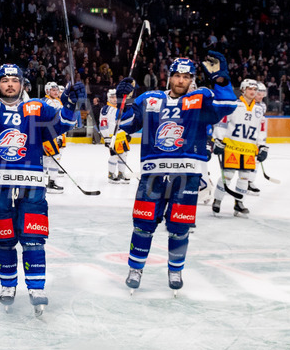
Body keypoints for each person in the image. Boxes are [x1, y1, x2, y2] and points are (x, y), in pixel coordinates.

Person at [0, 54, 83, 315]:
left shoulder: (36, 107)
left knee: (34, 238)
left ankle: (36, 287)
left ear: (23, 84)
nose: (10, 84)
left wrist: (70, 105)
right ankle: (8, 285)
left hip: (32, 179)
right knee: (3, 238)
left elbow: (62, 125)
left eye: (15, 80)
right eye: (5, 80)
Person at [111, 52, 237, 293]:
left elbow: (227, 106)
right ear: (169, 78)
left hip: (187, 177)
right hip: (152, 176)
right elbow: (127, 123)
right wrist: (124, 100)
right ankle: (135, 268)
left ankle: (176, 269)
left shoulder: (201, 98)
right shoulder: (150, 99)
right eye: (177, 76)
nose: (181, 81)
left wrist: (221, 80)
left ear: (193, 79)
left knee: (180, 228)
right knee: (142, 225)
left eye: (186, 77)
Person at [211, 79, 266, 217]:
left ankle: (239, 203)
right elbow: (222, 123)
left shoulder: (259, 109)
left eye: (255, 89)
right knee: (228, 176)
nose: (253, 92)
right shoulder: (233, 105)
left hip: (249, 149)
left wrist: (263, 146)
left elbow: (261, 130)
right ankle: (217, 200)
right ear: (243, 90)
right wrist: (218, 140)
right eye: (249, 89)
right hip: (232, 147)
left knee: (245, 178)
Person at [97, 88, 131, 183]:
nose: (114, 99)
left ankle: (121, 173)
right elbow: (103, 124)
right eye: (112, 97)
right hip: (112, 136)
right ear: (108, 98)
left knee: (124, 154)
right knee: (114, 156)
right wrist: (107, 138)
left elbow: (122, 122)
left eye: (116, 97)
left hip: (121, 135)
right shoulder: (105, 109)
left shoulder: (120, 108)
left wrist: (127, 133)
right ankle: (111, 174)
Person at [41, 82, 67, 193]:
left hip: (53, 134)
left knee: (50, 159)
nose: (56, 92)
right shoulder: (47, 102)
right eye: (53, 90)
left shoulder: (56, 101)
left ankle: (46, 182)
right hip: (49, 135)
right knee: (51, 159)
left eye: (57, 90)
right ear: (47, 91)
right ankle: (49, 183)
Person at [246, 81, 269, 196]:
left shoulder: (262, 106)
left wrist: (261, 142)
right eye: (259, 94)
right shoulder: (247, 104)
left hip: (254, 137)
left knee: (255, 161)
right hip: (244, 137)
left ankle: (249, 182)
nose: (261, 96)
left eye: (262, 94)